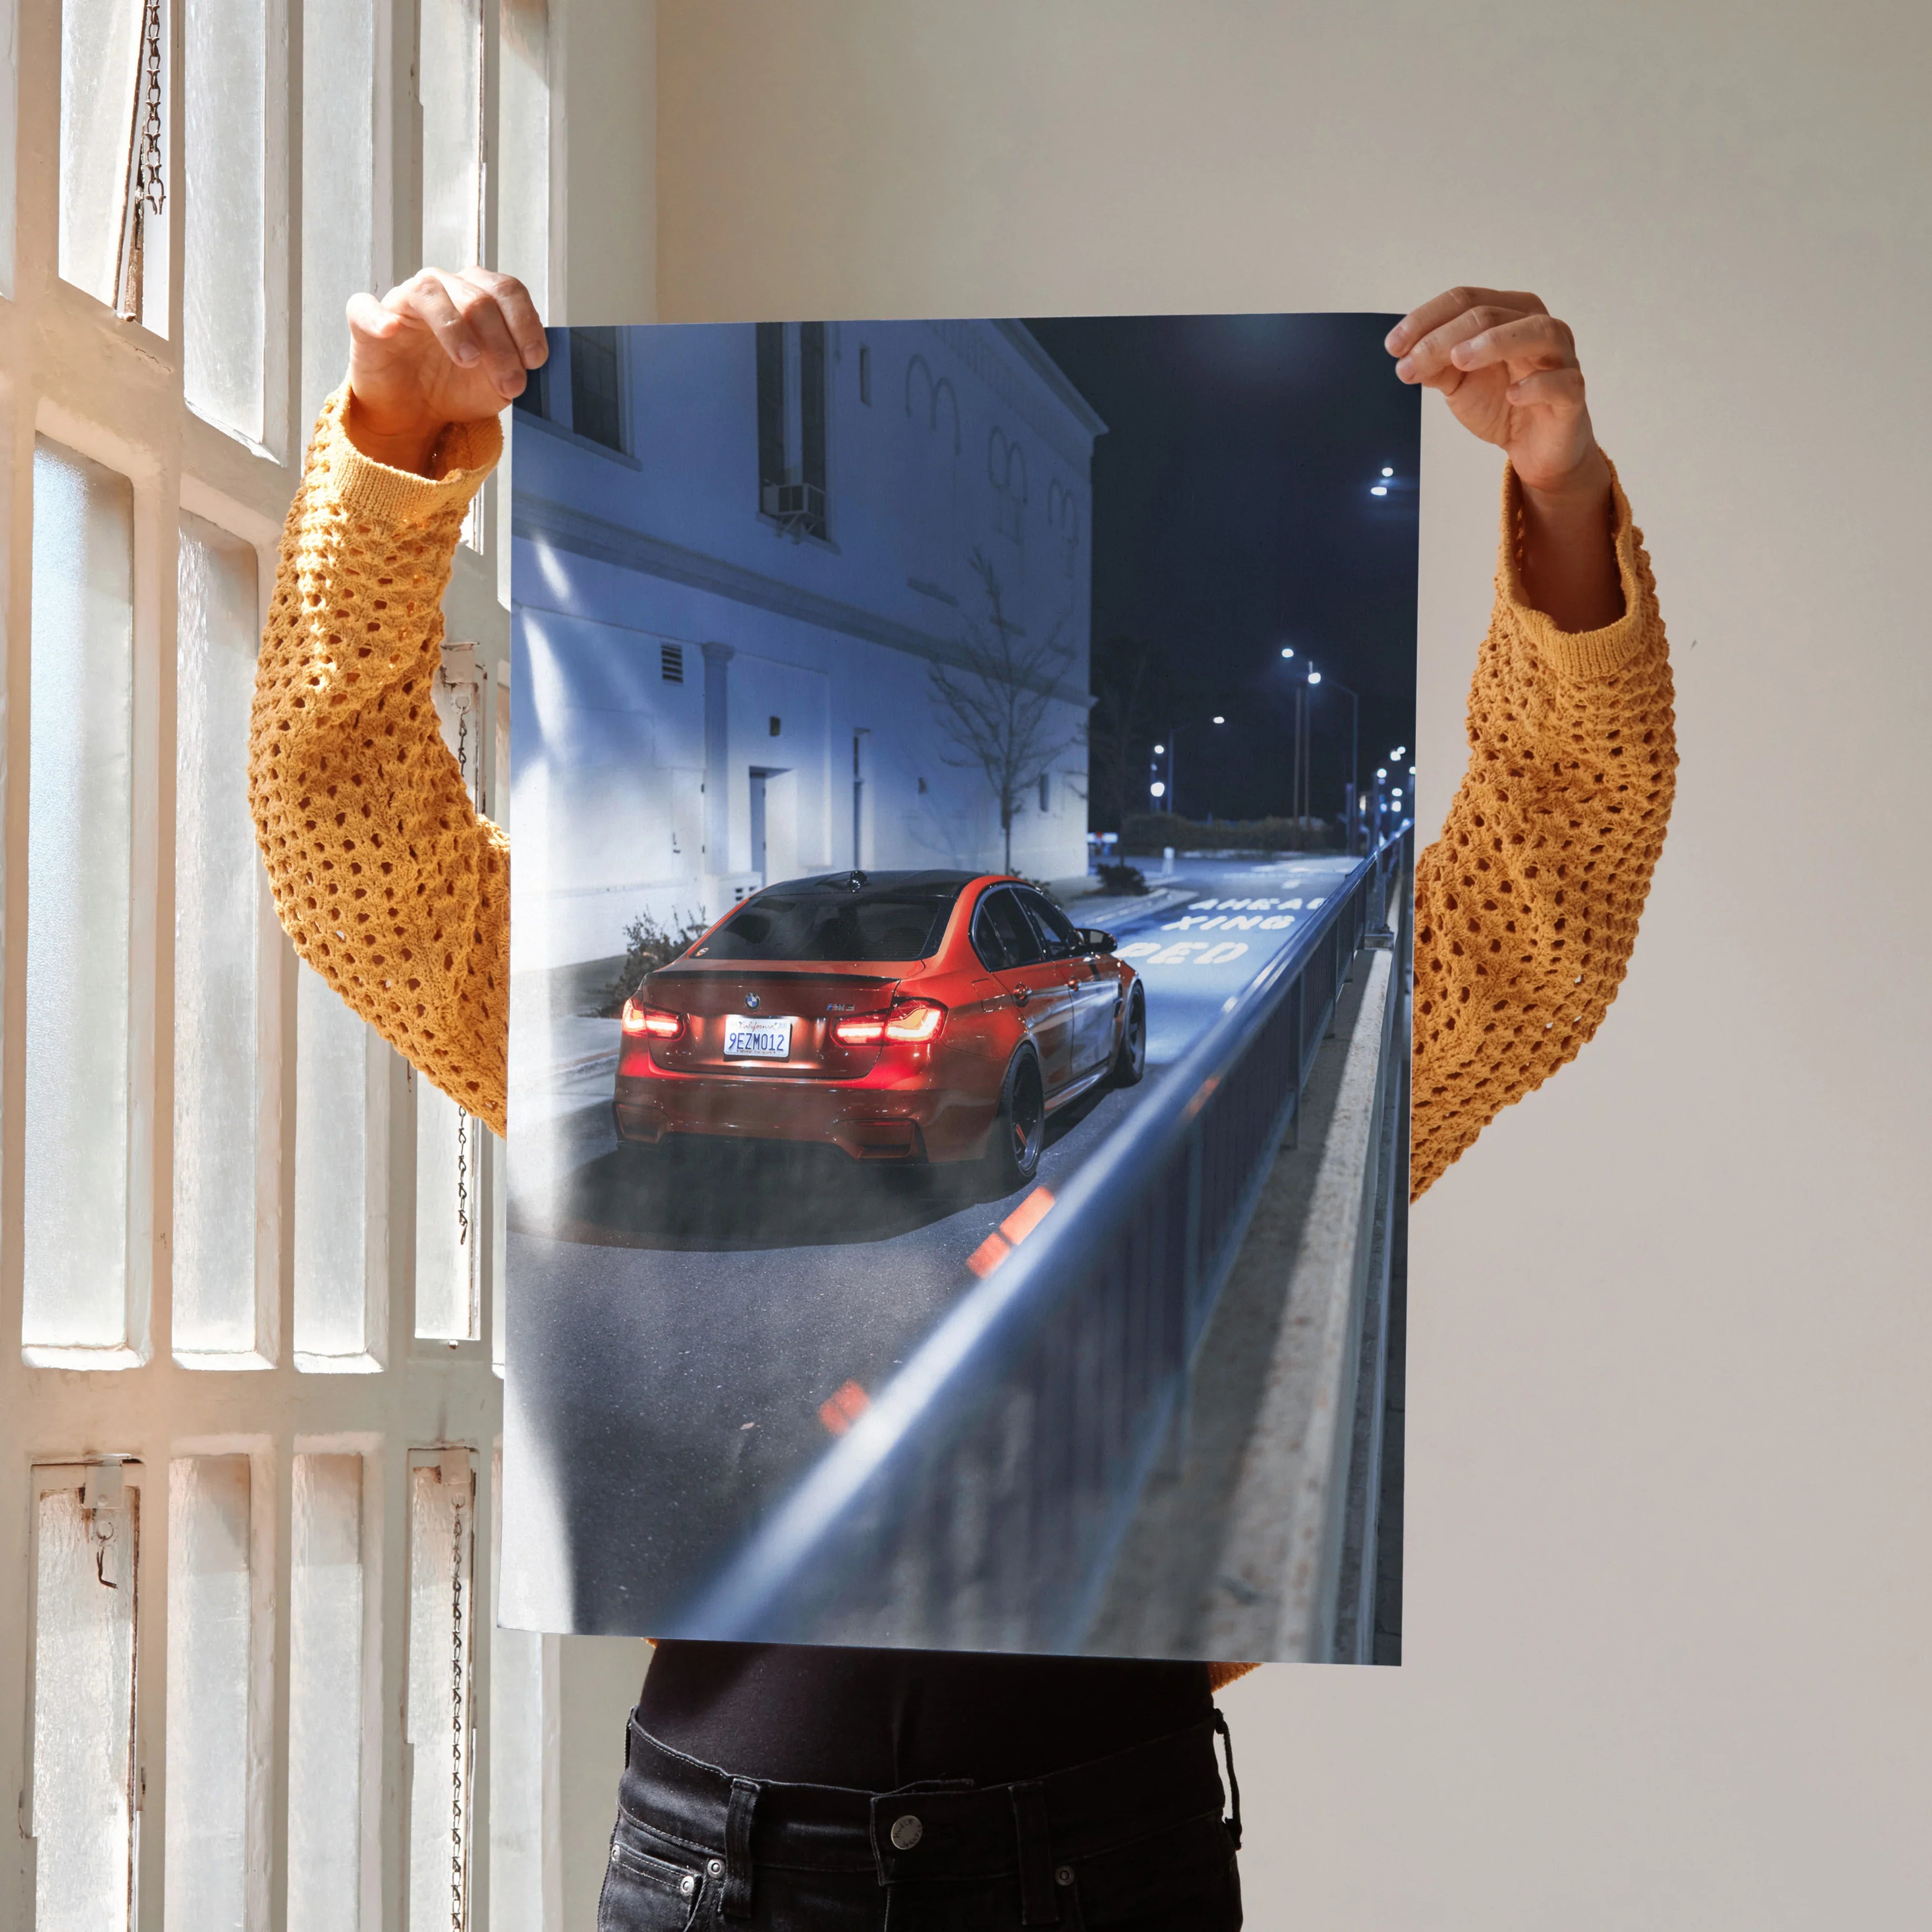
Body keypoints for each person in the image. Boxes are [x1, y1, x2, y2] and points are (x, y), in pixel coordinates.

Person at [250, 272, 1674, 1929]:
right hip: (727, 1863)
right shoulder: (675, 1055)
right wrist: (392, 449)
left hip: (1097, 1850)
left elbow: (1545, 905)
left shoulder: (1285, 1106)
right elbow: (346, 838)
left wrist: (1560, 497)